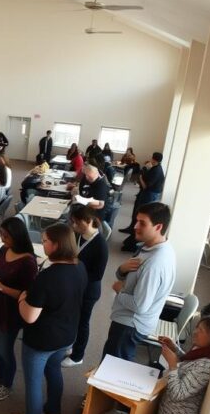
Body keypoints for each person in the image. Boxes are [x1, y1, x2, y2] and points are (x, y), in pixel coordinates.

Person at [18, 224, 87, 414]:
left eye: (45, 240)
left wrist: (22, 298)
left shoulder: (47, 277)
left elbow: (30, 316)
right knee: (54, 370)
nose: (42, 244)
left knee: (33, 381)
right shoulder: (80, 267)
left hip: (41, 340)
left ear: (57, 245)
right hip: (66, 336)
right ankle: (53, 411)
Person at [103, 202, 176, 361]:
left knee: (111, 373)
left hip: (130, 325)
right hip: (129, 321)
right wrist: (122, 269)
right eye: (136, 220)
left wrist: (119, 290)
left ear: (158, 227)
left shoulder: (154, 263)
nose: (135, 226)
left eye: (142, 223)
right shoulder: (149, 248)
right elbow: (127, 277)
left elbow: (139, 305)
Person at [0, 217, 39, 401]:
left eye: (6, 235)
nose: (2, 238)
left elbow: (27, 295)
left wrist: (0, 286)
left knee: (6, 349)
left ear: (17, 236)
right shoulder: (3, 249)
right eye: (1, 234)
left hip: (11, 312)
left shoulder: (28, 262)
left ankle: (7, 383)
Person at [63, 206, 109, 368]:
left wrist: (76, 272)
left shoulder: (100, 245)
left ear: (89, 221)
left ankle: (78, 356)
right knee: (73, 318)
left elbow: (97, 275)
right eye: (72, 222)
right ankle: (71, 345)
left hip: (88, 291)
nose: (73, 226)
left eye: (76, 223)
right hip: (76, 286)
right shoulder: (79, 235)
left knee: (83, 322)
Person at [122, 152, 166, 249]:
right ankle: (130, 229)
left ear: (154, 159)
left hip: (149, 194)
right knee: (136, 211)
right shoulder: (155, 168)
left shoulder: (156, 171)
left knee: (142, 214)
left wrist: (141, 177)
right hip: (147, 193)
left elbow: (146, 186)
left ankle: (134, 242)